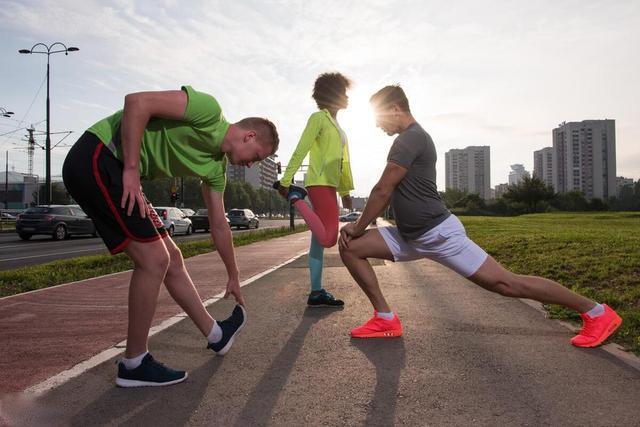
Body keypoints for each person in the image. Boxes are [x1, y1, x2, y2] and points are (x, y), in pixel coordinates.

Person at [338, 85, 622, 347]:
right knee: (351, 247)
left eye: (379, 117)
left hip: (438, 234)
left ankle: (597, 313)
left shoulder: (411, 138)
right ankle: (385, 319)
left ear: (395, 109)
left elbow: (383, 188)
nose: (377, 124)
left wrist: (359, 225)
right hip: (410, 235)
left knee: (506, 284)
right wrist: (359, 231)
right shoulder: (412, 138)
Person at [62, 86, 279, 387]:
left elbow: (219, 224)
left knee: (172, 258)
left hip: (119, 169)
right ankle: (134, 363)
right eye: (256, 157)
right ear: (249, 136)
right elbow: (136, 102)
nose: (252, 164)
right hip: (100, 155)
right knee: (154, 260)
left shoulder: (216, 169)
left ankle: (216, 335)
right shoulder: (207, 110)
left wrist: (233, 274)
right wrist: (132, 169)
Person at [274, 72, 354, 307]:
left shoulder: (339, 128)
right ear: (333, 95)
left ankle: (316, 292)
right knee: (329, 238)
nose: (347, 97)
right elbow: (302, 147)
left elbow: (343, 164)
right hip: (319, 183)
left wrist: (345, 191)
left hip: (329, 185)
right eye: (343, 92)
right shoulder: (318, 118)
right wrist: (286, 181)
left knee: (318, 242)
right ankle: (297, 198)